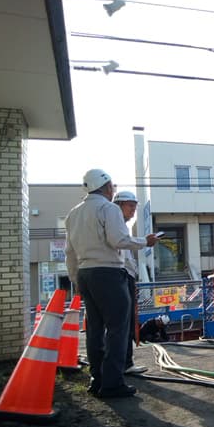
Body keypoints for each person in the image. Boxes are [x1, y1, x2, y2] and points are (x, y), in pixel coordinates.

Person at [65, 169, 159, 398]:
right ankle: (112, 383)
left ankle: (96, 379)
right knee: (118, 328)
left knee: (95, 329)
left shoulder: (73, 214)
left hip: (85, 273)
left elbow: (69, 252)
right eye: (112, 187)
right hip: (108, 273)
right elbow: (118, 240)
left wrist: (75, 279)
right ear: (107, 187)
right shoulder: (108, 208)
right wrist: (144, 242)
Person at [113, 190, 148, 375]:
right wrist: (145, 241)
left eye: (135, 207)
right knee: (124, 322)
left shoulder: (119, 225)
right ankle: (124, 364)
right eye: (130, 206)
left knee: (120, 323)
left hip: (121, 275)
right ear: (119, 205)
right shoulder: (116, 224)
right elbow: (124, 247)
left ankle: (121, 364)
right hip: (121, 276)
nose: (133, 210)